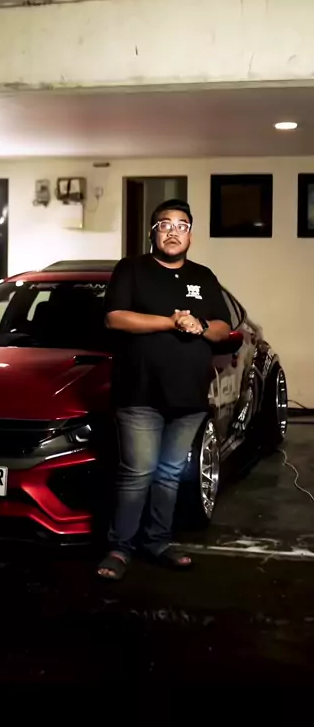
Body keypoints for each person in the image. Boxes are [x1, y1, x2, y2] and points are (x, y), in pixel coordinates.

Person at [98, 199, 231, 580]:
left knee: (170, 474)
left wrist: (199, 325)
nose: (173, 231)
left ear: (191, 234)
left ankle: (157, 541)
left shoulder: (204, 276)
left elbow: (222, 328)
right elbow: (115, 318)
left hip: (188, 397)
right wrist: (173, 322)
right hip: (140, 393)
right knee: (137, 472)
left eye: (182, 225)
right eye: (165, 224)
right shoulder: (132, 269)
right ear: (152, 232)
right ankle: (120, 548)